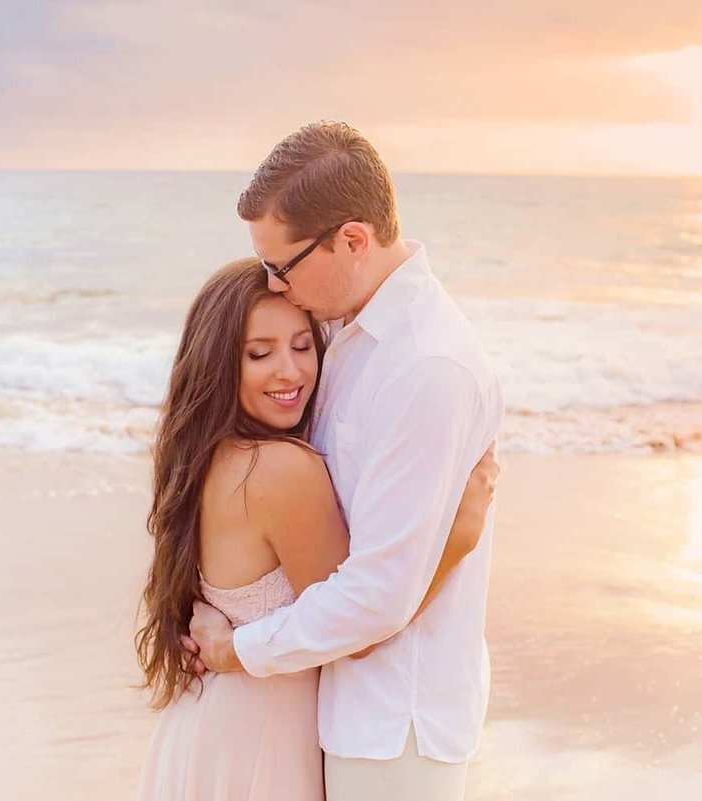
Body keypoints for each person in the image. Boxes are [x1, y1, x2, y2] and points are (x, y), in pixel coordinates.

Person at [187, 121, 503, 801]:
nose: (273, 283)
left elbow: (376, 595)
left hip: (394, 728)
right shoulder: (341, 330)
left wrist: (235, 648)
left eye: (283, 265)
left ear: (353, 240)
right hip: (337, 714)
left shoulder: (427, 367)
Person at [135, 258, 497, 801]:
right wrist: (459, 537)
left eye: (303, 346)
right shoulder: (282, 471)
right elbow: (364, 623)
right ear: (216, 365)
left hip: (209, 726)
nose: (290, 371)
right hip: (258, 741)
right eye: (260, 353)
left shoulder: (208, 457)